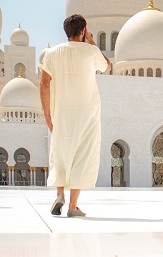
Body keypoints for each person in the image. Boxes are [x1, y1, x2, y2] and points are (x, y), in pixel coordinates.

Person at [40, 14, 111, 217]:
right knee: (83, 155)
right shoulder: (91, 52)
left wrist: (47, 114)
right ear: (83, 31)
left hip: (61, 113)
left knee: (61, 154)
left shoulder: (52, 54)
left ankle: (59, 194)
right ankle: (72, 206)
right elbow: (107, 66)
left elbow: (44, 83)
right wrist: (91, 42)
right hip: (87, 113)